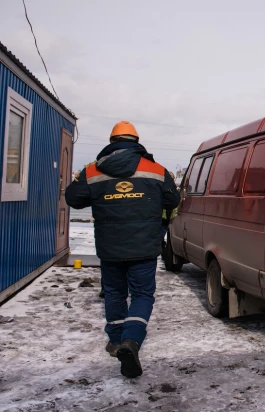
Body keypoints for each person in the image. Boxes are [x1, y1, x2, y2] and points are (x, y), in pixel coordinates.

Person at [65, 121, 180, 378]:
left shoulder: (93, 171)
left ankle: (117, 340)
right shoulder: (156, 169)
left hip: (110, 247)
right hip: (144, 246)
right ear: (137, 142)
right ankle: (132, 340)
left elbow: (74, 199)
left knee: (115, 293)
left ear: (111, 141)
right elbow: (173, 199)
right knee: (142, 295)